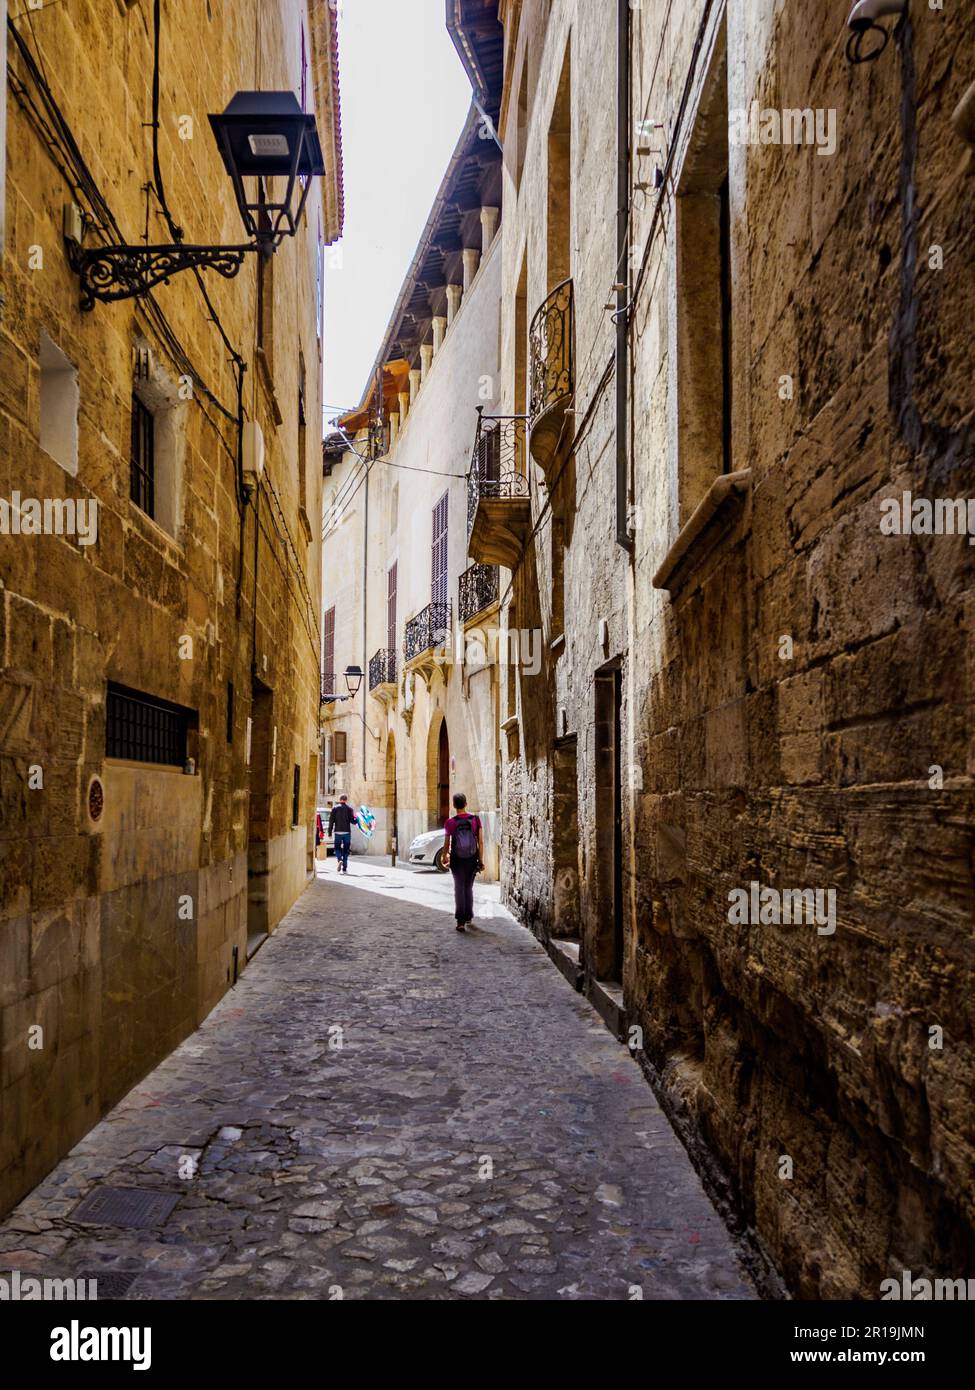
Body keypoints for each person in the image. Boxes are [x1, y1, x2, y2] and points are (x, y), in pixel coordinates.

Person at [443, 792, 484, 932]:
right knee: (468, 887)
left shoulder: (450, 822)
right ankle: (468, 916)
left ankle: (460, 921)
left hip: (457, 859)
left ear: (454, 805)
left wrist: (444, 856)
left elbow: (447, 842)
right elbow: (481, 841)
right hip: (472, 858)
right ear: (466, 804)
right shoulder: (475, 820)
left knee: (458, 888)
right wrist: (481, 860)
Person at [328, 795, 358, 874]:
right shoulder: (349, 809)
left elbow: (331, 821)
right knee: (346, 850)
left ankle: (339, 860)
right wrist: (358, 819)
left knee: (337, 848)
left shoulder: (335, 808)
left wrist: (329, 832)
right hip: (347, 832)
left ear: (339, 799)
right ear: (346, 800)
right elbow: (353, 822)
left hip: (337, 832)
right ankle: (344, 868)